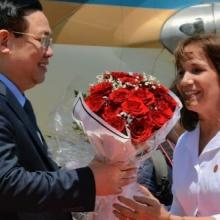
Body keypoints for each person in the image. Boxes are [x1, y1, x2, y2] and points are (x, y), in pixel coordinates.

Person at [0, 1, 136, 220]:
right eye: (42, 40)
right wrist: (88, 181)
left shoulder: (15, 100)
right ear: (5, 41)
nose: (50, 52)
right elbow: (7, 184)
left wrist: (87, 175)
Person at [112, 34, 220, 220]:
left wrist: (166, 219)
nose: (184, 81)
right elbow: (180, 210)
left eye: (196, 70)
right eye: (181, 72)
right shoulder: (185, 143)